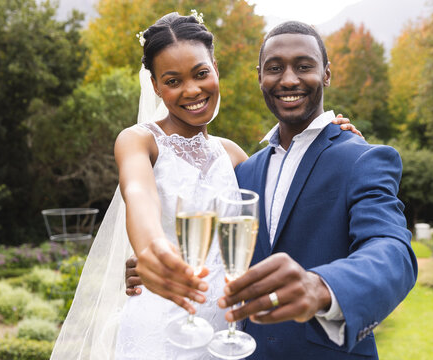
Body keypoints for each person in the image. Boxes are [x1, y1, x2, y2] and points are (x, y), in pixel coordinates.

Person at [51, 13, 359, 360]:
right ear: (155, 86)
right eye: (172, 80)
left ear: (215, 68)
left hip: (227, 334)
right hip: (161, 327)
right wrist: (151, 251)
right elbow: (138, 195)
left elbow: (284, 208)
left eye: (200, 74)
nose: (192, 90)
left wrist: (333, 141)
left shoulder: (236, 156)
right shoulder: (139, 141)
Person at [126, 20, 416, 360]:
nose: (289, 79)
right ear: (259, 77)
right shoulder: (243, 169)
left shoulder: (362, 158)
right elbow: (211, 241)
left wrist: (322, 287)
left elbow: (392, 250)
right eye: (274, 68)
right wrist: (151, 258)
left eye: (304, 66)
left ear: (326, 74)